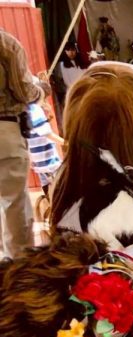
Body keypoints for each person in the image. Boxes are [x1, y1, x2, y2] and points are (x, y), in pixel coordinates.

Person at [0, 31, 42, 259]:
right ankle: (19, 268)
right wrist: (41, 91)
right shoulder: (6, 45)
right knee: (14, 205)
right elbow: (24, 91)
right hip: (4, 130)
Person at [24, 81, 63, 193]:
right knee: (60, 182)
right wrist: (65, 142)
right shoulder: (36, 110)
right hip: (48, 158)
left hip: (37, 158)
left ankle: (49, 204)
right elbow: (47, 133)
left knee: (45, 183)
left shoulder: (27, 110)